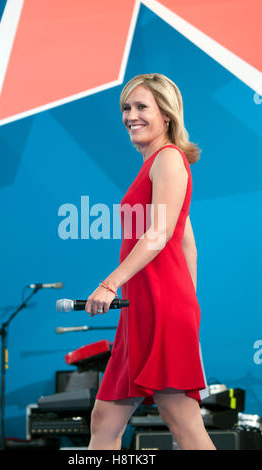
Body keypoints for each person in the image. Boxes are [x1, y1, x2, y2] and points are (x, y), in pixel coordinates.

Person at [85, 73, 216, 450]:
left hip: (161, 307)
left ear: (167, 115)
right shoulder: (155, 164)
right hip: (144, 309)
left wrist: (110, 284)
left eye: (142, 107)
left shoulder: (169, 159)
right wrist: (188, 306)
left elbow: (158, 235)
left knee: (182, 420)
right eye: (127, 107)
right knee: (105, 420)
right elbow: (187, 243)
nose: (131, 115)